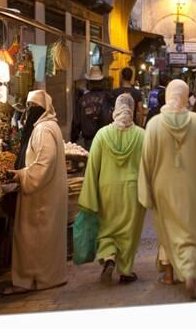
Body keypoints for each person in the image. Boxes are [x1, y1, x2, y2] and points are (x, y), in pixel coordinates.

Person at [138, 80, 196, 300]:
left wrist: (145, 190)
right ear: (185, 96)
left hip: (163, 186)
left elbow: (146, 160)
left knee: (168, 230)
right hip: (191, 186)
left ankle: (169, 274)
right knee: (189, 231)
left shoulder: (154, 124)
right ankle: (190, 271)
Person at [4, 90, 68, 295]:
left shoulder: (43, 130)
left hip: (41, 198)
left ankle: (32, 280)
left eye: (33, 107)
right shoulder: (49, 127)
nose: (29, 111)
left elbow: (43, 165)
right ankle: (45, 277)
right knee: (42, 238)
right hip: (46, 195)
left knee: (32, 238)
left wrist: (22, 176)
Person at [78, 93, 146, 284]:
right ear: (132, 110)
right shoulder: (142, 135)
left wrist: (89, 195)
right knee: (129, 231)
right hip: (133, 191)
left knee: (108, 228)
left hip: (106, 190)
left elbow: (92, 167)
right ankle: (125, 271)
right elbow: (148, 165)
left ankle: (108, 256)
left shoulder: (102, 135)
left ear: (114, 109)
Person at [71, 66, 114, 150]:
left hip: (89, 141)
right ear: (101, 82)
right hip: (106, 139)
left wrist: (73, 141)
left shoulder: (82, 100)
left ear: (89, 82)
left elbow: (76, 123)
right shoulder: (109, 98)